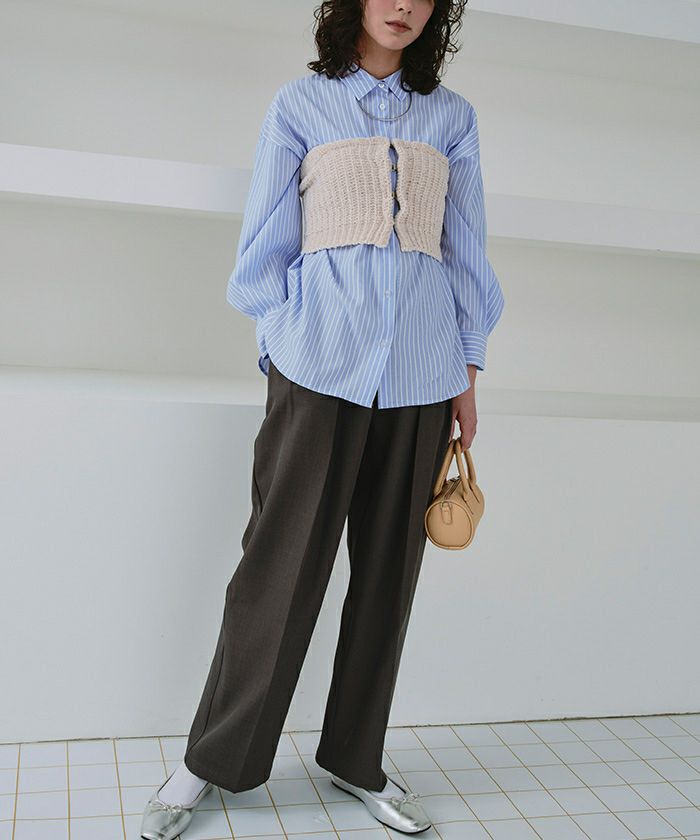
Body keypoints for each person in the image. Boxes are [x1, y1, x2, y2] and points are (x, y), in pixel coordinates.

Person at [141, 0, 504, 836]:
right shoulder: (300, 105)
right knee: (278, 568)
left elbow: (466, 248)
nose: (404, 6)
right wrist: (283, 341)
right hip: (316, 367)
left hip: (423, 375)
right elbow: (263, 243)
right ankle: (211, 762)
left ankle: (356, 759)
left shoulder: (453, 119)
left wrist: (467, 369)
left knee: (387, 578)